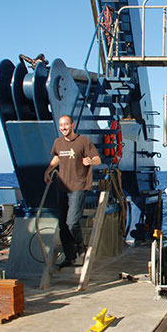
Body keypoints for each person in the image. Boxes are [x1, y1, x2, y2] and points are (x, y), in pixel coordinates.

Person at [44, 115, 101, 268]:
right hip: (62, 187)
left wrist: (90, 161)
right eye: (61, 125)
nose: (63, 127)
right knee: (62, 225)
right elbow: (57, 158)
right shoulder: (58, 142)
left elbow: (97, 159)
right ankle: (70, 256)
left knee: (72, 223)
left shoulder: (83, 141)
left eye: (66, 124)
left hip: (78, 187)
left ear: (72, 125)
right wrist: (48, 171)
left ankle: (80, 245)